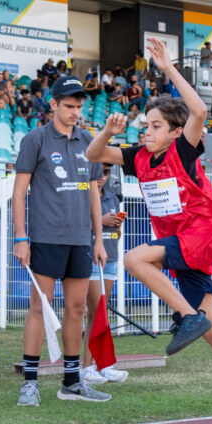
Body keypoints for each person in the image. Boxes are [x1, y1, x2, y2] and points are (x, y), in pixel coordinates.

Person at [85, 38, 212, 424]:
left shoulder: (183, 150)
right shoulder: (139, 158)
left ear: (175, 133)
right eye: (145, 125)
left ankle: (187, 318)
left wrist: (168, 68)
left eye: (156, 127)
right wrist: (106, 130)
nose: (147, 131)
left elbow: (201, 109)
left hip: (201, 231)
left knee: (135, 259)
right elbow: (93, 155)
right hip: (185, 244)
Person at [12, 76, 110, 407]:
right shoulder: (35, 139)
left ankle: (71, 382)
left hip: (81, 240)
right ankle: (29, 383)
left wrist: (99, 240)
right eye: (68, 106)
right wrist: (21, 237)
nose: (75, 112)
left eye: (79, 107)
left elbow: (96, 194)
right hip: (45, 238)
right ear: (53, 104)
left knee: (77, 308)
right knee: (39, 306)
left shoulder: (90, 142)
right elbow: (19, 193)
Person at [79, 163, 128, 384]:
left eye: (107, 172)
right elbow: (77, 225)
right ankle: (88, 366)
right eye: (99, 172)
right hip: (90, 258)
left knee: (100, 314)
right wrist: (100, 222)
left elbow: (115, 233)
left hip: (110, 257)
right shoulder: (82, 195)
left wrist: (116, 225)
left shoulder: (112, 197)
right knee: (96, 312)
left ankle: (101, 365)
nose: (102, 176)